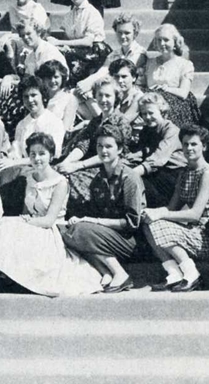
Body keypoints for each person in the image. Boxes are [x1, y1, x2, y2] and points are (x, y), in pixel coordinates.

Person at [0, 133, 102, 296]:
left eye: (42, 154)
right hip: (32, 225)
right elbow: (26, 211)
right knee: (4, 225)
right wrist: (22, 221)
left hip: (52, 231)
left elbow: (49, 220)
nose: (37, 158)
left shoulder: (60, 182)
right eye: (33, 154)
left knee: (14, 228)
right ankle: (6, 277)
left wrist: (24, 223)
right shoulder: (30, 178)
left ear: (51, 156)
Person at [61, 123, 146, 293]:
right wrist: (82, 219)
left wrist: (93, 221)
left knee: (80, 231)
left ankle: (120, 274)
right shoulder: (99, 178)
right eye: (99, 146)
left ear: (119, 149)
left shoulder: (129, 178)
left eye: (108, 146)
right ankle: (105, 271)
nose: (103, 150)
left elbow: (132, 223)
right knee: (67, 230)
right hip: (106, 235)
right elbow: (94, 211)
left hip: (129, 240)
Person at [143, 125, 209, 292]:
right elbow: (172, 208)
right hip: (192, 233)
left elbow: (194, 215)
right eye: (185, 144)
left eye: (194, 144)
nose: (189, 148)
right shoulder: (184, 173)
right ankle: (174, 273)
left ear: (204, 146)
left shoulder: (207, 174)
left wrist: (160, 215)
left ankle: (192, 274)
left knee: (158, 223)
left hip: (208, 237)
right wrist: (153, 213)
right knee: (147, 222)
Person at [57, 77, 131, 217]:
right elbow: (83, 145)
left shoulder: (121, 122)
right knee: (58, 171)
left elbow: (110, 154)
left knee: (71, 179)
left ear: (116, 97)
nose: (103, 99)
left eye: (108, 95)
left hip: (109, 168)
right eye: (100, 95)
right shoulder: (95, 121)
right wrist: (67, 162)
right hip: (90, 164)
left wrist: (77, 166)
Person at [0, 18, 67, 136]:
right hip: (39, 93)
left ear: (38, 32)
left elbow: (52, 82)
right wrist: (6, 79)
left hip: (54, 94)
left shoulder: (49, 52)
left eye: (29, 33)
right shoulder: (30, 57)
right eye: (22, 35)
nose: (26, 38)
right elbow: (27, 81)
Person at [48, 0, 111, 85]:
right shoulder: (69, 15)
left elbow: (87, 42)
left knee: (67, 55)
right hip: (77, 50)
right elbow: (67, 38)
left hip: (94, 50)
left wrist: (59, 42)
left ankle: (72, 85)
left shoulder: (92, 12)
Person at [125, 92, 186, 208]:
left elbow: (157, 159)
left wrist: (130, 174)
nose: (147, 117)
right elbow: (141, 152)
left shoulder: (172, 131)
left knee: (135, 182)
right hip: (157, 172)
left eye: (151, 113)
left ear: (161, 112)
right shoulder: (147, 130)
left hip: (174, 176)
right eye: (144, 114)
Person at [0, 76, 65, 171]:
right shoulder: (22, 125)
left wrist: (16, 162)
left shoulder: (54, 122)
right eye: (26, 97)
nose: (30, 100)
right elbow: (16, 153)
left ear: (43, 96)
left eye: (33, 95)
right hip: (22, 169)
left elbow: (52, 155)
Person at [142, 24, 202, 129]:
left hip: (174, 103)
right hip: (150, 104)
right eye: (159, 40)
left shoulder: (185, 65)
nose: (162, 43)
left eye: (166, 40)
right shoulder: (150, 62)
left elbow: (184, 93)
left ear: (175, 42)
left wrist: (166, 89)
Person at [76, 13, 147, 95]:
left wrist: (92, 84)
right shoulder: (114, 54)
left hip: (134, 92)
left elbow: (122, 74)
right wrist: (87, 82)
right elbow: (103, 71)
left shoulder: (140, 53)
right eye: (119, 32)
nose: (122, 36)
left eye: (127, 33)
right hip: (118, 88)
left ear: (135, 34)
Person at [0, 0, 49, 65]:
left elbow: (36, 35)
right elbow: (15, 30)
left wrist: (7, 36)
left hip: (34, 42)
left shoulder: (36, 8)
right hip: (20, 40)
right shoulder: (12, 8)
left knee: (11, 44)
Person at [37, 60, 79, 133]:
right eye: (48, 78)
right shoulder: (40, 96)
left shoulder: (69, 98)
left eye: (56, 77)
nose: (52, 81)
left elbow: (65, 128)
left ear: (62, 77)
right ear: (43, 79)